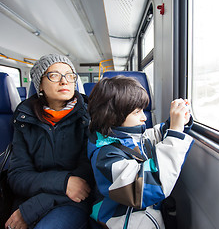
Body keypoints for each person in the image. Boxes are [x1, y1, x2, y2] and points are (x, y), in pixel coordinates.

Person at [87, 76, 194, 228]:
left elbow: (154, 137)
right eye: (137, 112)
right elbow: (144, 188)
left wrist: (177, 122)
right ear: (113, 117)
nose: (144, 117)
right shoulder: (105, 156)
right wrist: (175, 132)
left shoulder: (130, 137)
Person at [5, 54, 94, 229]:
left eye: (70, 75)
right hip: (29, 199)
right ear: (40, 85)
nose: (64, 81)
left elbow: (85, 180)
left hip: (73, 201)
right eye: (54, 75)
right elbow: (18, 176)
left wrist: (34, 207)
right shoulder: (24, 119)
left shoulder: (89, 117)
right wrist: (64, 182)